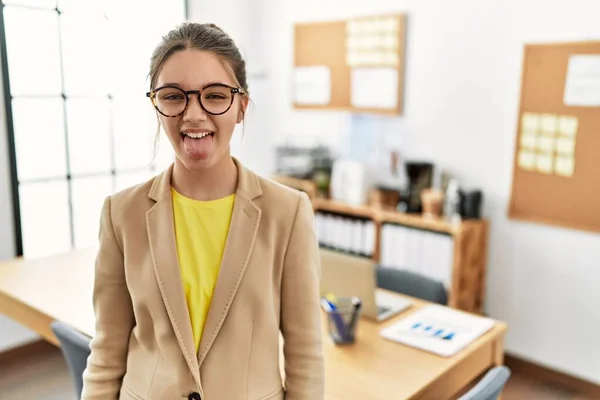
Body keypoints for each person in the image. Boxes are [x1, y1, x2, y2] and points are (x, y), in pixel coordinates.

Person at [81, 22, 324, 400]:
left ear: (241, 106)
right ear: (156, 105)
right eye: (174, 96)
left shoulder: (288, 212)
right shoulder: (120, 214)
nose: (193, 114)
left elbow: (305, 355)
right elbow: (107, 352)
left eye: (214, 96)